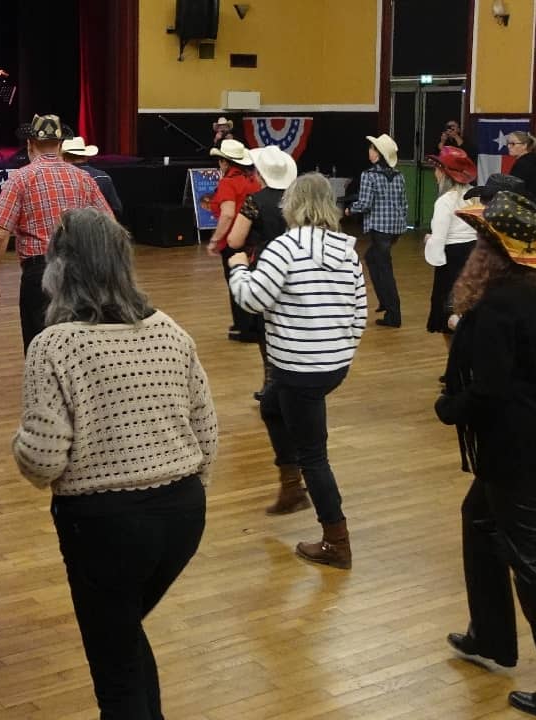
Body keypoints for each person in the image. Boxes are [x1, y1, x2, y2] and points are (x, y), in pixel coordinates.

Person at [12, 208, 217, 717]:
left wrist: (18, 443)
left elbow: (42, 460)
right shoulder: (171, 330)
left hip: (103, 527)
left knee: (115, 667)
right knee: (123, 634)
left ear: (60, 269)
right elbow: (207, 432)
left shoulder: (53, 345)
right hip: (184, 514)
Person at [434, 190, 536, 720]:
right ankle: (492, 635)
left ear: (494, 252)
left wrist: (448, 406)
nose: (475, 249)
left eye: (482, 241)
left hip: (517, 446)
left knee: (531, 562)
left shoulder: (497, 310)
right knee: (478, 519)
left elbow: (490, 390)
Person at [228, 173, 367, 570]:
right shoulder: (347, 250)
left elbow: (253, 300)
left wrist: (238, 268)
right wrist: (338, 350)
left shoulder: (282, 248)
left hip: (296, 366)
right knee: (272, 407)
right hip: (333, 365)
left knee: (315, 456)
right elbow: (359, 312)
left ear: (292, 203)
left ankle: (336, 540)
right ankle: (291, 488)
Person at [0, 114, 112, 353]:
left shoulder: (20, 178)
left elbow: (0, 235)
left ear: (30, 145)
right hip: (81, 271)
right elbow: (109, 226)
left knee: (40, 349)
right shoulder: (83, 178)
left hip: (39, 273)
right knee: (79, 347)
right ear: (61, 144)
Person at [226, 145, 297, 407]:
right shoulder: (295, 199)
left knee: (266, 325)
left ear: (260, 173)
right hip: (296, 262)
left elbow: (235, 240)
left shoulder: (255, 201)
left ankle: (271, 382)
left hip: (266, 263)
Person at [347, 133, 408, 328]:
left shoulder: (369, 175)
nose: (369, 151)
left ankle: (393, 314)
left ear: (378, 154)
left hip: (379, 228)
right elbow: (404, 204)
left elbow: (365, 204)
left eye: (372, 148)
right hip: (394, 228)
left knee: (384, 268)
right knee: (372, 258)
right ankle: (384, 301)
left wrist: (350, 210)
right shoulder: (399, 175)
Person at [205, 138, 262, 341]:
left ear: (226, 163)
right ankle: (252, 326)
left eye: (220, 160)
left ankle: (243, 328)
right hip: (253, 239)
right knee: (253, 280)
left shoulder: (228, 183)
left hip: (234, 240)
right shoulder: (253, 181)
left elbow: (227, 214)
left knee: (236, 282)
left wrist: (214, 240)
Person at [423, 147, 479, 346]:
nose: (435, 173)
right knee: (467, 309)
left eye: (437, 168)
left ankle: (455, 369)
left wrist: (429, 242)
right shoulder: (472, 196)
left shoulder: (445, 201)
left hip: (452, 260)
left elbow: (439, 238)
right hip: (473, 257)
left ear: (443, 173)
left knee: (449, 314)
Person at [61, 136, 123, 218]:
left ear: (64, 158)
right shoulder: (103, 177)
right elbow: (117, 209)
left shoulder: (60, 179)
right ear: (85, 156)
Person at [504, 131, 536, 200]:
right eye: (508, 143)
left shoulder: (523, 164)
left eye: (513, 144)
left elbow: (516, 190)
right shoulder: (535, 159)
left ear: (524, 145)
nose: (508, 146)